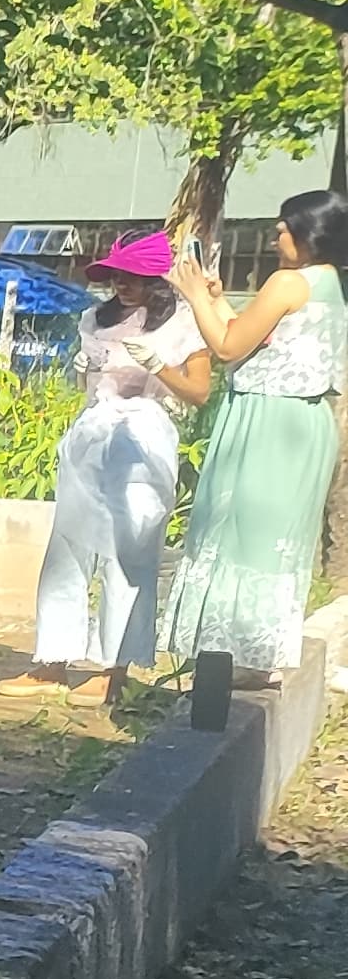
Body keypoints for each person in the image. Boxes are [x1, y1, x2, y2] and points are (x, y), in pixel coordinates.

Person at [10, 231, 208, 701]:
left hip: (144, 437)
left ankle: (112, 667)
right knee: (68, 545)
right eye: (117, 274)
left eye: (134, 275)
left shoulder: (180, 323)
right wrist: (83, 367)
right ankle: (52, 659)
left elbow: (198, 392)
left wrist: (160, 366)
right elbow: (90, 382)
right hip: (93, 433)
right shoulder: (94, 320)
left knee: (129, 549)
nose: (123, 283)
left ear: (154, 279)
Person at [160, 193, 348, 685]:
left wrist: (194, 294)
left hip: (267, 419)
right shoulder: (330, 283)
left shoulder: (288, 281)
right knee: (269, 539)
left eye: (283, 228)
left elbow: (227, 347)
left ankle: (232, 655)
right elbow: (256, 335)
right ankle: (252, 654)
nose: (274, 236)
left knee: (242, 532)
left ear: (310, 234)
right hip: (302, 420)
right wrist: (218, 299)